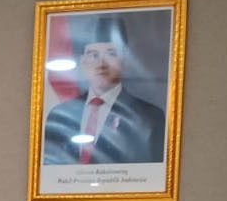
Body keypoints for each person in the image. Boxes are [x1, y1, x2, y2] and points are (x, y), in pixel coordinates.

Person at [41, 14, 166, 166]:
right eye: (93, 55)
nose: (101, 64)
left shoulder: (149, 118)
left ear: (124, 60)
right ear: (83, 62)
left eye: (111, 53)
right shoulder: (59, 115)